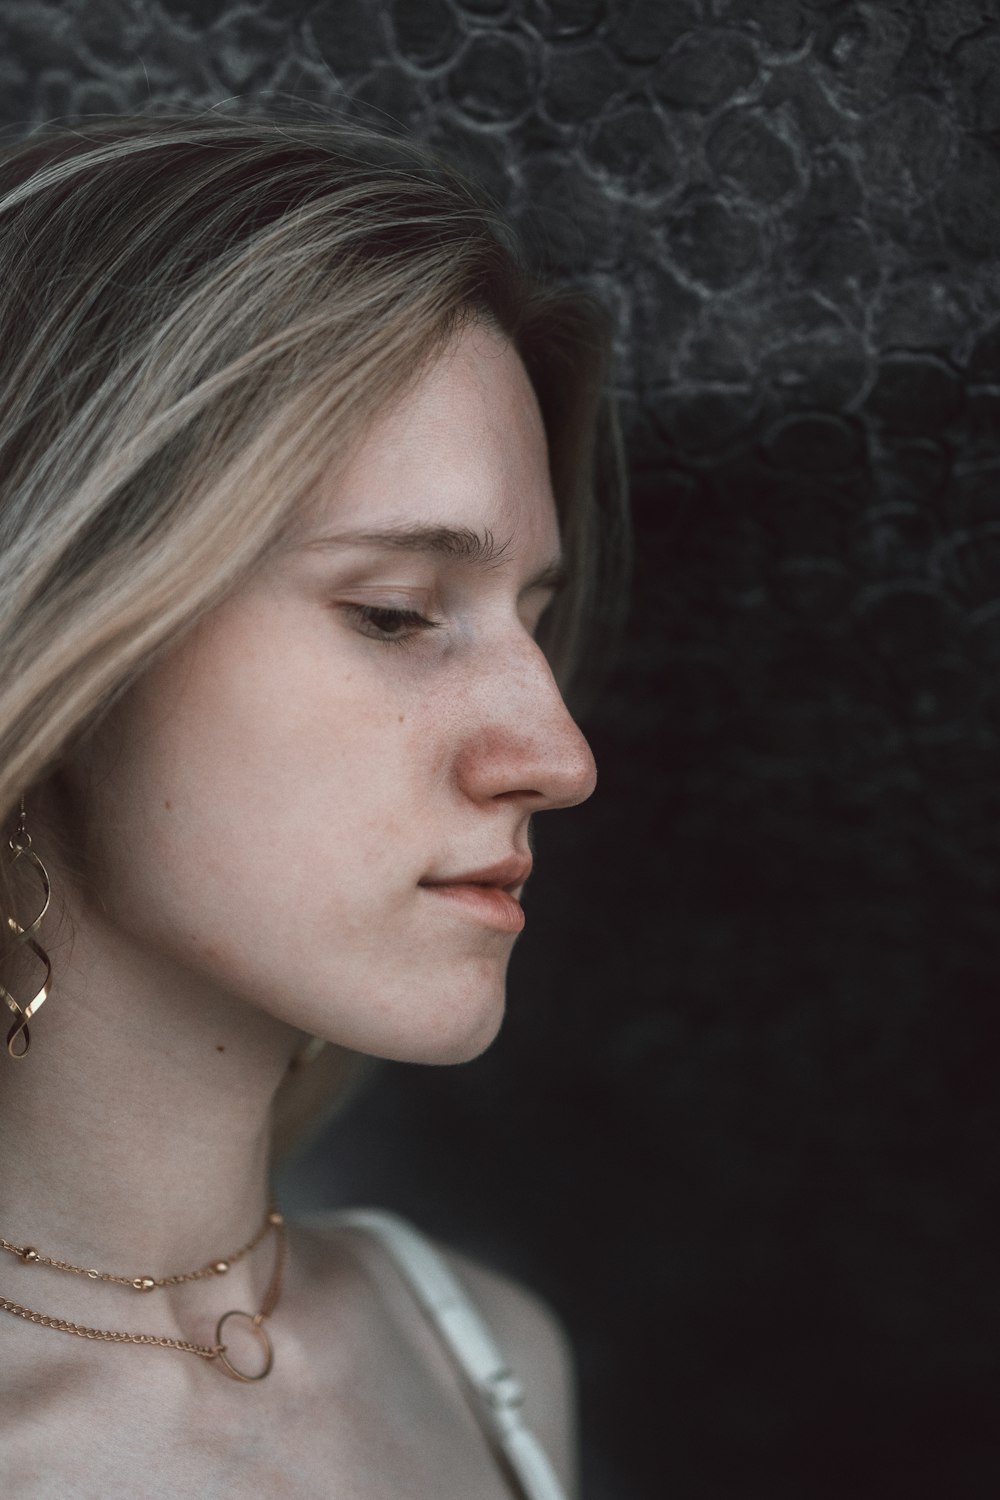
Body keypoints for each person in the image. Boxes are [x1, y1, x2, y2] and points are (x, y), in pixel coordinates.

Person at [0, 112, 627, 1498]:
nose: (557, 754)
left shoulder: (481, 1353)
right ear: (61, 622)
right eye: (397, 612)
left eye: (534, 618)